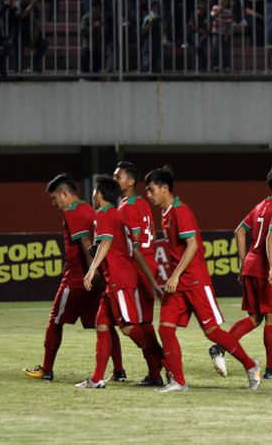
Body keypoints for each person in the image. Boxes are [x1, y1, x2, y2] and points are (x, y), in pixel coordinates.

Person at [145, 166, 261, 392]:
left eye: (151, 190)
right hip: (178, 283)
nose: (148, 195)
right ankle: (179, 381)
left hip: (195, 281)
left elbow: (193, 245)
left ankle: (251, 365)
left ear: (164, 188)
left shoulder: (181, 211)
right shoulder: (166, 212)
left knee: (213, 333)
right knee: (166, 329)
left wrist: (175, 275)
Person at [24, 174, 125, 382]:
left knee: (55, 320)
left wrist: (91, 272)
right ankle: (118, 370)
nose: (54, 204)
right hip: (91, 279)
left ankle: (47, 369)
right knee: (104, 325)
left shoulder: (73, 211)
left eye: (54, 198)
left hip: (78, 280)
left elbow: (86, 243)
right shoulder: (90, 210)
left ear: (64, 193)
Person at [76, 175, 166, 389]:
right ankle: (97, 379)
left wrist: (92, 269)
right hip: (115, 279)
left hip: (119, 279)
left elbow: (106, 241)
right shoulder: (117, 216)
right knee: (103, 325)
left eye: (94, 192)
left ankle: (166, 363)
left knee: (128, 328)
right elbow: (127, 248)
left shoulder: (103, 213)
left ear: (98, 195)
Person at [211, 166, 272, 380]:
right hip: (265, 269)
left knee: (254, 317)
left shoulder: (261, 206)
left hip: (250, 266)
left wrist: (243, 263)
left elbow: (239, 231)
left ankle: (220, 347)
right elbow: (271, 238)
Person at [113, 161, 167, 386]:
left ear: (131, 181)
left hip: (138, 267)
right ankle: (155, 374)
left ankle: (163, 361)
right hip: (150, 261)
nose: (116, 180)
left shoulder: (125, 208)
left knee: (129, 324)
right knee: (145, 323)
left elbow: (133, 245)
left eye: (119, 177)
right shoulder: (143, 203)